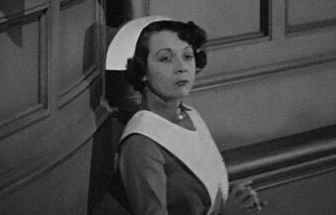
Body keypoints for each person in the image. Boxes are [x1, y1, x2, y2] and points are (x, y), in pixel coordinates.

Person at [105, 16, 264, 215]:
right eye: (165, 58)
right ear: (142, 70)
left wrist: (239, 198)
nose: (181, 67)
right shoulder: (141, 143)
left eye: (187, 56)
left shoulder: (189, 115)